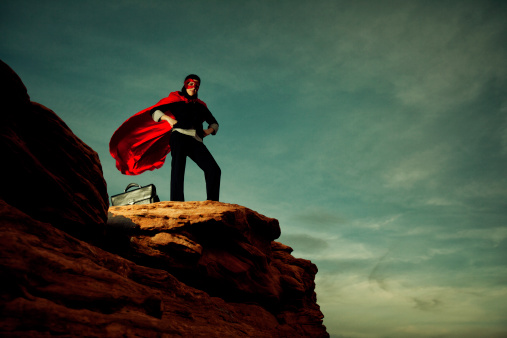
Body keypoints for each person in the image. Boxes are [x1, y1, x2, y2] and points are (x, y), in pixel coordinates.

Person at [109, 74, 220, 201]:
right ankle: (177, 202)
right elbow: (155, 111)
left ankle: (212, 202)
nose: (194, 87)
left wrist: (209, 131)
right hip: (179, 136)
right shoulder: (176, 99)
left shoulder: (201, 106)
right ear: (185, 84)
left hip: (196, 141)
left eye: (197, 85)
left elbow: (214, 123)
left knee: (214, 169)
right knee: (178, 169)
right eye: (191, 84)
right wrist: (168, 119)